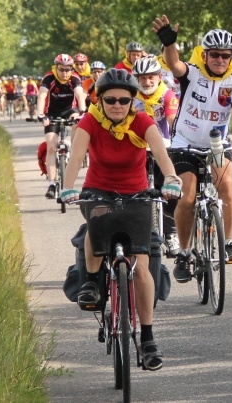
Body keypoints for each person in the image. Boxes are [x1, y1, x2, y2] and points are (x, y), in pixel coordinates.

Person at [60, 68, 182, 371]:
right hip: (98, 191)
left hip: (136, 193)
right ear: (100, 100)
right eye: (110, 99)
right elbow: (76, 157)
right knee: (96, 225)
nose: (117, 105)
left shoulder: (142, 121)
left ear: (132, 101)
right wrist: (68, 186)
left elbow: (161, 153)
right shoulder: (90, 121)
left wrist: (171, 178)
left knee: (140, 260)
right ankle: (90, 282)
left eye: (124, 100)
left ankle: (149, 338)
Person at [152, 15, 232, 283]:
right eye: (214, 55)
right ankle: (185, 253)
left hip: (216, 143)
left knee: (226, 186)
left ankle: (229, 242)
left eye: (225, 55)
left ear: (230, 57)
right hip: (184, 142)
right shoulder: (193, 73)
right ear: (205, 54)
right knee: (186, 198)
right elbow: (174, 64)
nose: (220, 60)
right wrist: (169, 43)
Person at [132, 55, 180, 257]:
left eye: (151, 77)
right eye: (142, 78)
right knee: (133, 191)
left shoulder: (167, 95)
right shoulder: (131, 97)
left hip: (164, 148)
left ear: (160, 76)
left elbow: (171, 120)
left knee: (169, 190)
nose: (147, 81)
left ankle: (171, 234)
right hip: (138, 148)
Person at [36, 53, 87, 199]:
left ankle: (72, 146)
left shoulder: (74, 78)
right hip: (51, 113)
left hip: (70, 110)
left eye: (67, 69)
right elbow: (42, 96)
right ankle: (52, 183)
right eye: (61, 69)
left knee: (78, 121)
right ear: (55, 68)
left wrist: (82, 111)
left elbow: (79, 95)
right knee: (51, 146)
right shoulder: (48, 78)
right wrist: (40, 114)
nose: (64, 73)